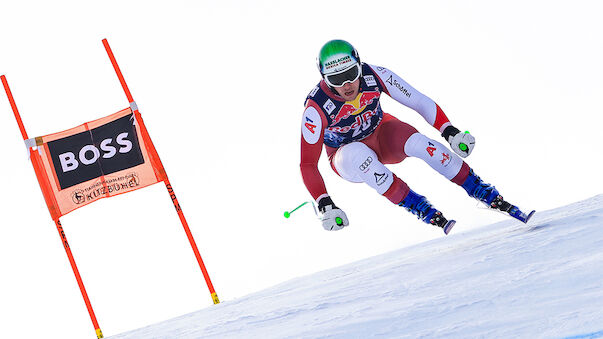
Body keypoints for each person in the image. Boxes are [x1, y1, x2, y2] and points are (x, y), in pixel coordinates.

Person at [300, 39, 534, 234]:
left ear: (359, 65)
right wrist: (324, 203)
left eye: (351, 73)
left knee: (422, 144)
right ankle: (418, 206)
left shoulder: (375, 75)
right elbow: (308, 163)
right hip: (345, 155)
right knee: (361, 156)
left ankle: (482, 190)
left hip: (382, 134)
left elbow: (418, 100)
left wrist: (449, 131)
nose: (347, 84)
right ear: (324, 79)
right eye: (336, 80)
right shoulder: (316, 107)